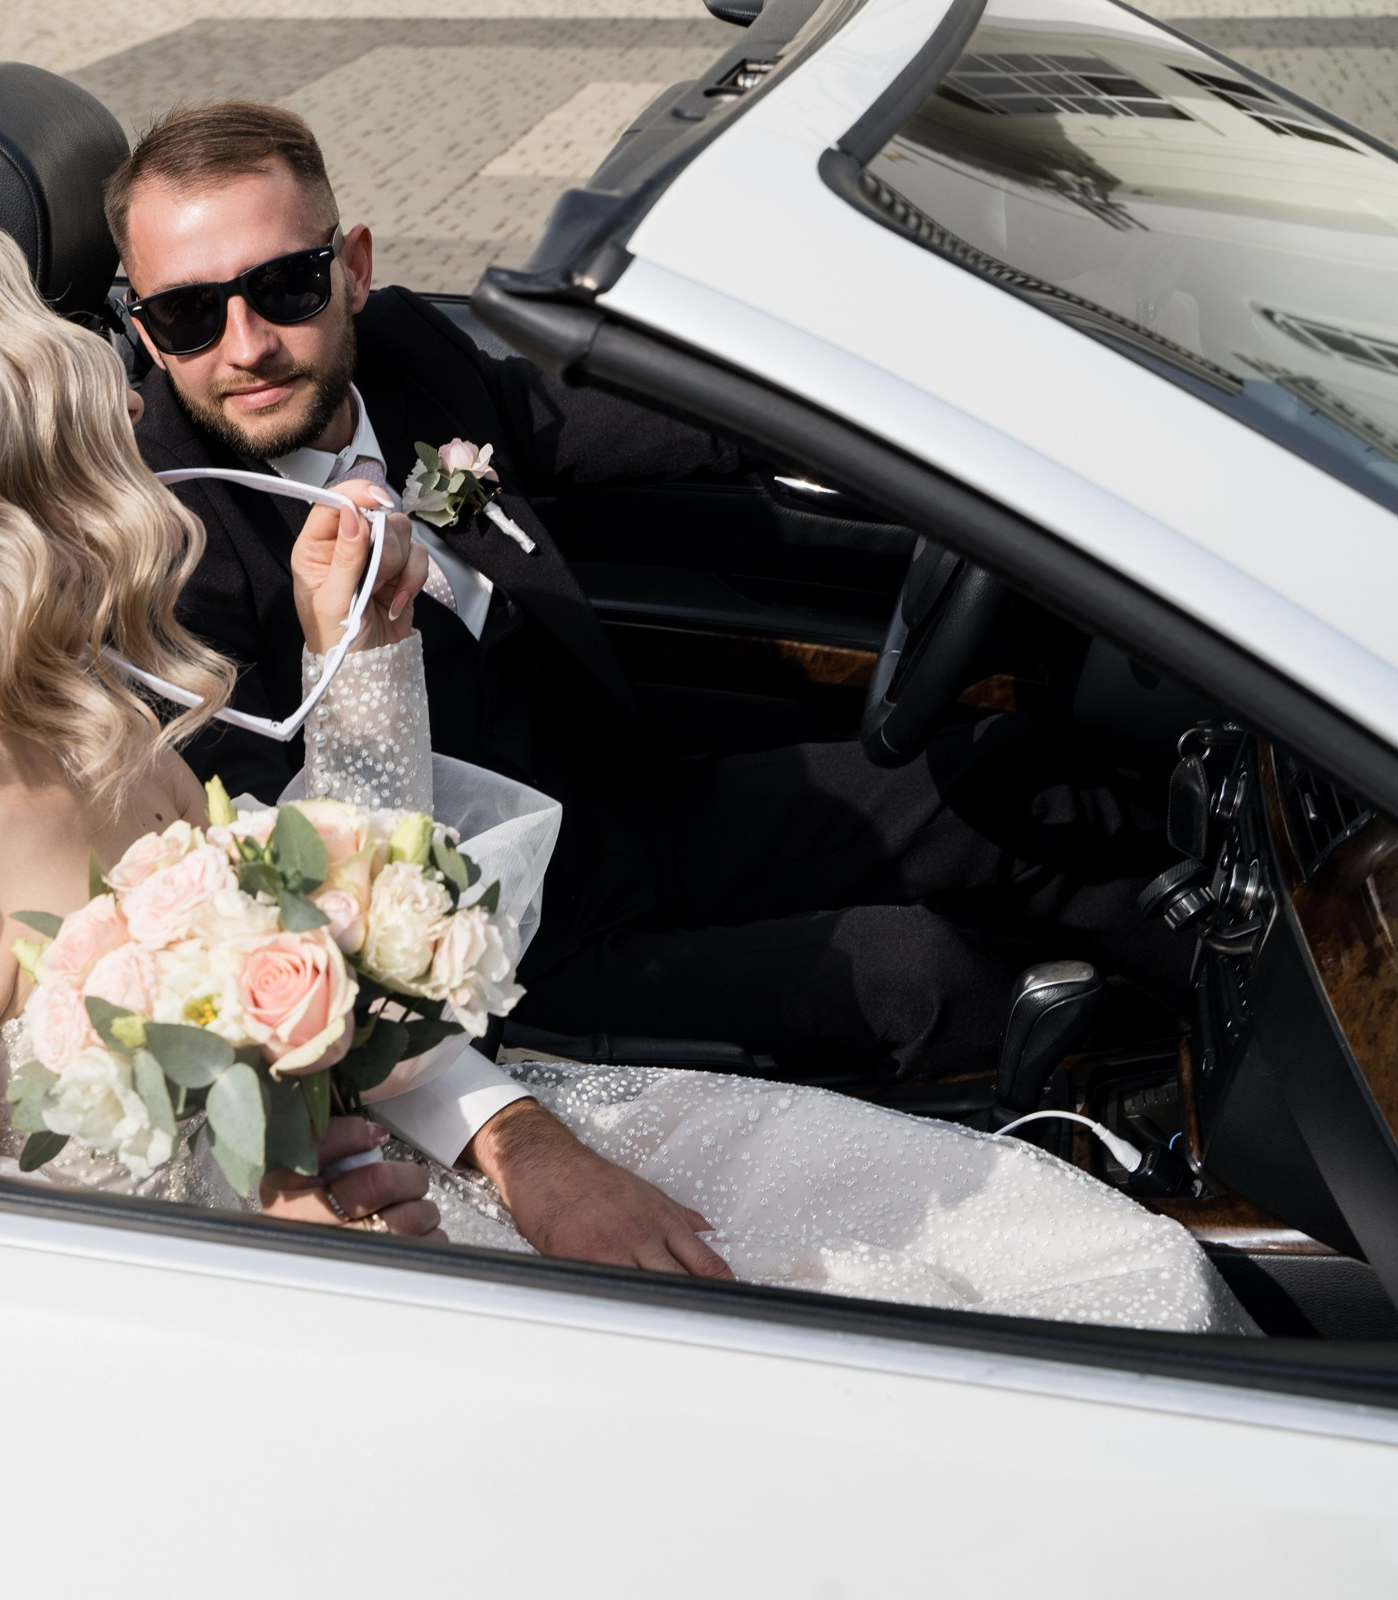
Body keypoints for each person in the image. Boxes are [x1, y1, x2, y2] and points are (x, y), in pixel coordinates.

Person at [0, 221, 1249, 1332]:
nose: (134, 433)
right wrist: (282, 1238)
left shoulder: (88, 710)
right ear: (4, 502)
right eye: (82, 424)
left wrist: (360, 664)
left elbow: (319, 940)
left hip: (436, 1169)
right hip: (281, 1310)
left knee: (1097, 1267)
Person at [115, 105, 1186, 1115]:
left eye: (286, 286)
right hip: (510, 952)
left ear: (352, 268)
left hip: (629, 804)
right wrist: (342, 652)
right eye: (188, 312)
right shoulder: (168, 553)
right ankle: (1145, 1119)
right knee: (930, 976)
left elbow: (622, 418)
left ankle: (1248, 979)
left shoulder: (406, 360)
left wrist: (882, 380)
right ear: (147, 328)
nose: (246, 344)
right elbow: (300, 884)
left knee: (1009, 779)